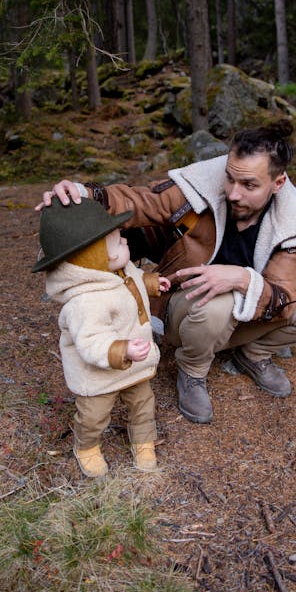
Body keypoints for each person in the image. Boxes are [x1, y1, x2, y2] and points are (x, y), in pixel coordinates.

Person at [37, 119, 296, 424]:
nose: (234, 193)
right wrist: (83, 193)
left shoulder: (294, 227)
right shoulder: (198, 190)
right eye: (230, 179)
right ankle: (192, 370)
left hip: (240, 305)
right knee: (218, 304)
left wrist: (241, 278)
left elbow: (282, 297)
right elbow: (142, 201)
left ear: (277, 184)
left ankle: (253, 353)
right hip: (183, 305)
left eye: (249, 185)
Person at [32, 197, 171, 476]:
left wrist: (152, 283)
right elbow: (91, 342)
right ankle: (87, 446)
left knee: (143, 404)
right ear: (94, 256)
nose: (126, 243)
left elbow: (133, 280)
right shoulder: (85, 302)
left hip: (134, 368)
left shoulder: (118, 269)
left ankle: (143, 441)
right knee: (94, 416)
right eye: (119, 241)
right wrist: (124, 350)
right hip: (99, 375)